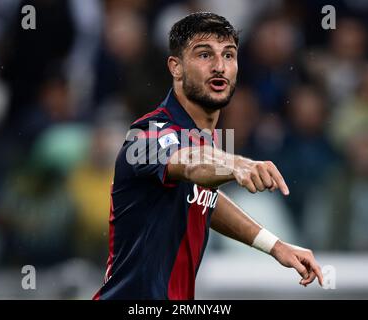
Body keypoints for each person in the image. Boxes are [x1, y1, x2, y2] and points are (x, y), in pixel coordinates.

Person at [94, 12, 323, 300]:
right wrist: (235, 163)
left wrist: (276, 246)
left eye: (229, 55)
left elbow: (202, 197)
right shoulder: (145, 137)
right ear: (176, 67)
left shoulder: (207, 139)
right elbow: (190, 166)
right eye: (204, 55)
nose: (219, 67)